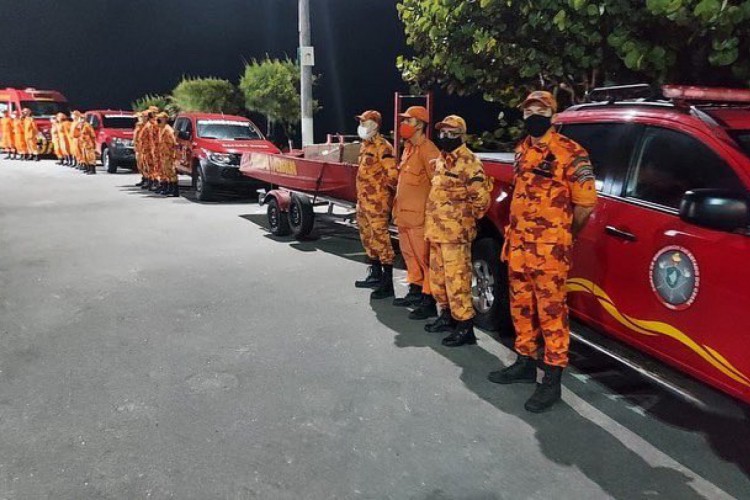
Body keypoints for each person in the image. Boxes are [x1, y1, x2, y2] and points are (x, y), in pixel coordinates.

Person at [488, 91, 597, 413]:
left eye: (540, 109)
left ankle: (551, 380)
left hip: (549, 252)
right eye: (528, 110)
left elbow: (585, 205)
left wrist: (563, 235)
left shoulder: (571, 152)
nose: (533, 114)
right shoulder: (522, 149)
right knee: (521, 307)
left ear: (552, 114)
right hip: (519, 247)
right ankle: (524, 361)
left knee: (551, 315)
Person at [424, 115, 492, 347]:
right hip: (436, 232)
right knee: (438, 279)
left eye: (451, 132)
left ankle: (465, 327)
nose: (445, 136)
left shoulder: (469, 162)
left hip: (455, 235)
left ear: (461, 135)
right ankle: (447, 316)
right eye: (442, 132)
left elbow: (481, 201)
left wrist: (462, 221)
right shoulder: (442, 160)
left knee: (457, 281)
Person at [392, 105, 441, 319]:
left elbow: (437, 185)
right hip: (404, 217)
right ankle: (415, 290)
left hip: (420, 219)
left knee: (425, 260)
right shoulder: (408, 148)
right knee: (410, 257)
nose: (403, 125)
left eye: (408, 121)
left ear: (420, 125)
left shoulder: (428, 150)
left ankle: (428, 301)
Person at [353, 110, 399, 298]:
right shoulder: (365, 146)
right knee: (367, 237)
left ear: (375, 125)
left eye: (365, 123)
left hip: (377, 203)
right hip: (363, 202)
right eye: (361, 123)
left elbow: (393, 176)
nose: (362, 126)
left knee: (381, 239)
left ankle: (387, 283)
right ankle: (375, 274)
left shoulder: (383, 147)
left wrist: (382, 195)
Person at [156, 112, 179, 196]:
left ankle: (174, 190)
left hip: (169, 154)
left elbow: (174, 142)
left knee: (171, 172)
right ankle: (169, 188)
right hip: (163, 154)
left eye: (160, 118)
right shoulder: (161, 129)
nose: (158, 120)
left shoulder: (168, 129)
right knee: (166, 172)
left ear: (165, 119)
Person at [133, 111, 147, 187]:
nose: (138, 119)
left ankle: (148, 180)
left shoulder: (144, 126)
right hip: (138, 147)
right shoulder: (138, 126)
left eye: (140, 117)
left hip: (144, 148)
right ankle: (144, 178)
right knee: (140, 165)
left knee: (145, 165)